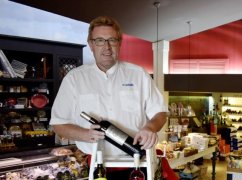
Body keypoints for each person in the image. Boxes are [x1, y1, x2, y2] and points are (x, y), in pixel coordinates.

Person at [50, 15, 167, 155]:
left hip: (136, 160)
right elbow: (58, 124)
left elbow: (160, 113)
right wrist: (85, 134)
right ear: (91, 44)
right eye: (99, 41)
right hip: (95, 162)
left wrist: (150, 127)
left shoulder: (139, 75)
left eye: (112, 40)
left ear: (119, 43)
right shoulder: (74, 79)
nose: (107, 47)